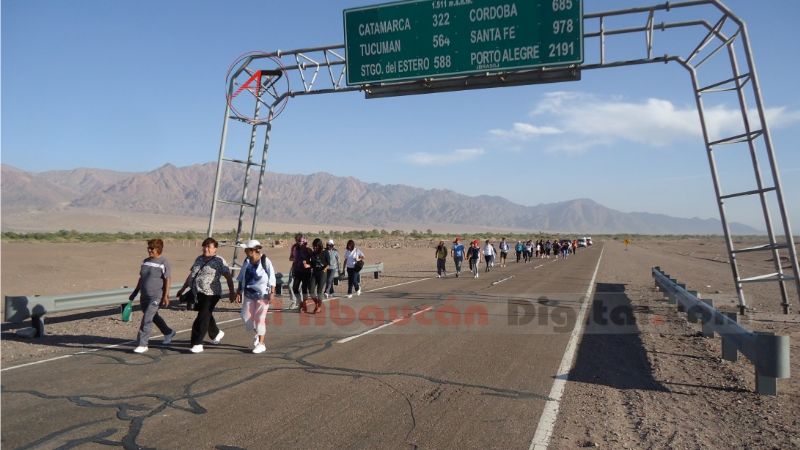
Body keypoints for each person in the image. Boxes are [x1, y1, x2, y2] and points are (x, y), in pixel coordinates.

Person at [176, 237, 235, 354]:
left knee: (202, 317)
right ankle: (216, 333)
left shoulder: (219, 261)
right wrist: (183, 288)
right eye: (204, 246)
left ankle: (197, 343)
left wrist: (232, 292)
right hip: (197, 293)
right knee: (206, 314)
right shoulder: (199, 259)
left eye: (209, 247)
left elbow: (228, 277)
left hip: (212, 294)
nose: (206, 249)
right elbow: (192, 275)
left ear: (215, 249)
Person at [129, 238, 176, 354]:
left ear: (158, 249)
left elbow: (167, 279)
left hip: (156, 296)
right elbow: (141, 278)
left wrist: (166, 296)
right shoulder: (145, 261)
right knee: (153, 317)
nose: (149, 250)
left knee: (147, 319)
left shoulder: (164, 262)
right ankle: (168, 332)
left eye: (152, 248)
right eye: (148, 248)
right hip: (144, 295)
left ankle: (143, 344)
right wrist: (135, 291)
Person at [235, 240, 276, 354]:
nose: (245, 251)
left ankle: (261, 344)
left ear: (253, 250)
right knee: (245, 316)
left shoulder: (265, 261)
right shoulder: (247, 261)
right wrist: (239, 291)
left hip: (262, 295)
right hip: (249, 293)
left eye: (247, 250)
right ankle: (258, 333)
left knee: (260, 319)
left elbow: (272, 277)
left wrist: (272, 292)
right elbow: (242, 276)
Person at [290, 234, 312, 312]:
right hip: (297, 270)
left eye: (301, 241)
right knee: (295, 288)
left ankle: (304, 305)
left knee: (304, 289)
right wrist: (295, 259)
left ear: (304, 241)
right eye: (298, 241)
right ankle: (300, 303)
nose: (299, 242)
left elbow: (313, 262)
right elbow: (291, 258)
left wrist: (308, 264)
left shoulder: (308, 250)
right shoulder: (294, 248)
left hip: (306, 272)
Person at [308, 238, 328, 313]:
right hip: (315, 273)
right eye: (314, 246)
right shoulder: (313, 253)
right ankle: (317, 302)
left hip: (322, 274)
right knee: (311, 291)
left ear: (320, 246)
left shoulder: (325, 252)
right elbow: (312, 263)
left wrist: (324, 270)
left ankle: (319, 307)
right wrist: (308, 265)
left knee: (319, 291)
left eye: (316, 246)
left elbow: (329, 264)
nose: (315, 247)